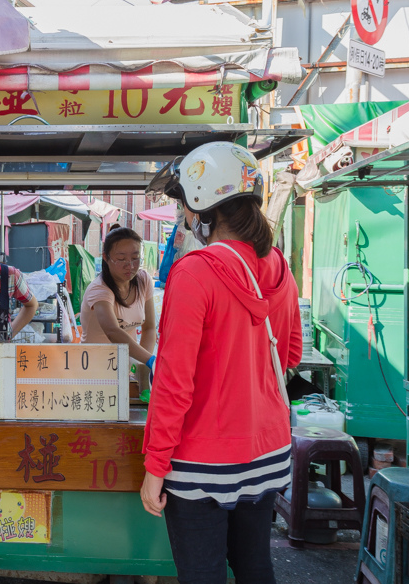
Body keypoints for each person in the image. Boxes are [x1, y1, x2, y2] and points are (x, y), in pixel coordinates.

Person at [140, 142, 302, 584]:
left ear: (201, 206)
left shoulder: (194, 272)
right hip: (267, 453)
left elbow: (173, 384)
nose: (182, 216)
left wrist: (156, 467)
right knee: (255, 568)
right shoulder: (280, 268)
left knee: (202, 575)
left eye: (182, 204)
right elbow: (289, 357)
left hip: (202, 462)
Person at [80, 227, 157, 367]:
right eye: (121, 259)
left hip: (126, 367)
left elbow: (150, 328)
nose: (130, 265)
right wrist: (151, 360)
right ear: (106, 257)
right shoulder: (100, 289)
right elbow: (112, 331)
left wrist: (142, 365)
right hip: (94, 368)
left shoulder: (143, 280)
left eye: (135, 258)